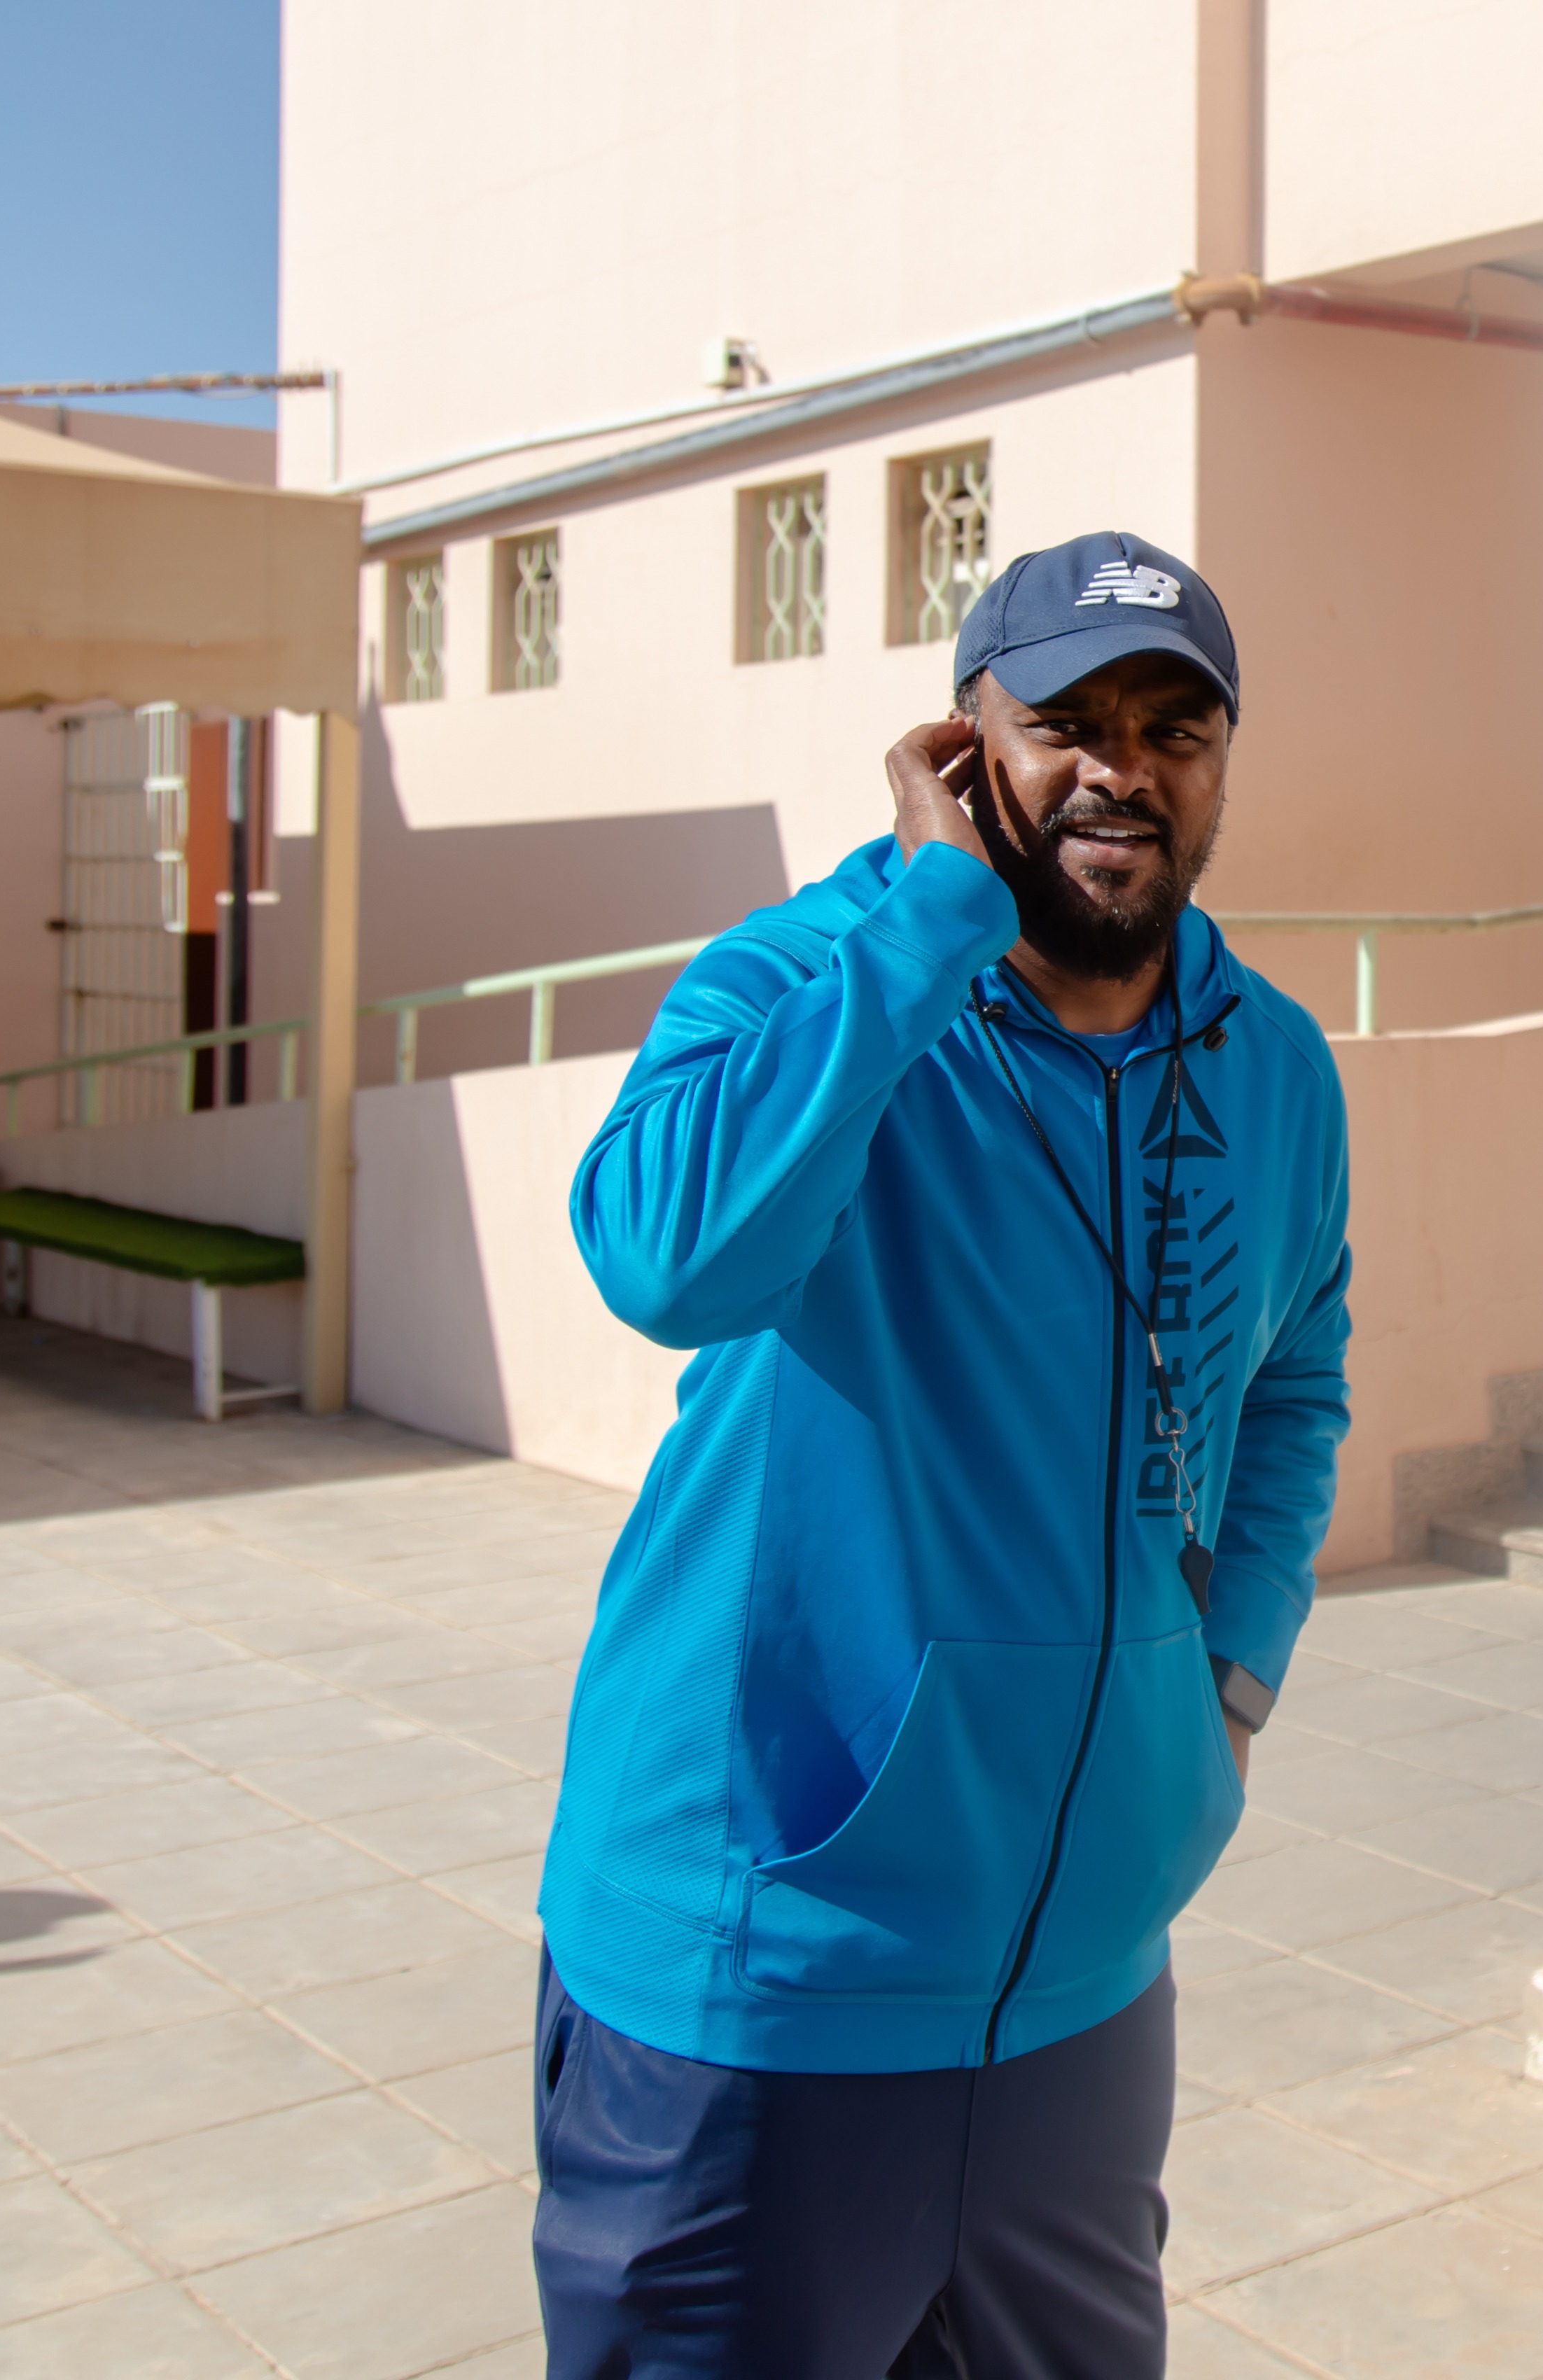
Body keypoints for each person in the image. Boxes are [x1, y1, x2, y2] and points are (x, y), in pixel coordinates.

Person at [535, 531, 1353, 2378]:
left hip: (1081, 1990)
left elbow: (1295, 1369)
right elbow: (666, 1262)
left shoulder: (1275, 1065)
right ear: (963, 744)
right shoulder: (801, 980)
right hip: (767, 1990)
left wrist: (1228, 1684)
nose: (1121, 768)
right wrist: (921, 923)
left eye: (1175, 726)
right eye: (1064, 720)